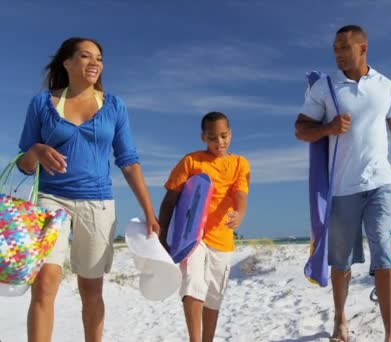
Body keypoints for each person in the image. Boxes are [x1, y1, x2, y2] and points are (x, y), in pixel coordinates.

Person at [16, 37, 160, 342]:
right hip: (50, 198)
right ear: (67, 62)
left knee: (91, 290)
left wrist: (149, 210)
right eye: (86, 56)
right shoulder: (42, 103)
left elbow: (129, 162)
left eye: (100, 58)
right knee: (44, 284)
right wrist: (38, 151)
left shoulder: (114, 106)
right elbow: (24, 164)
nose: (95, 63)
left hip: (97, 203)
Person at [294, 25, 391, 342]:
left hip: (381, 183)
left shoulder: (387, 87)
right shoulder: (326, 88)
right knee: (340, 262)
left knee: (383, 248)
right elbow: (301, 128)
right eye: (335, 48)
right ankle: (340, 320)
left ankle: (390, 335)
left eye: (344, 47)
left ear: (363, 47)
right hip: (342, 189)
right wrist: (327, 128)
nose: (338, 53)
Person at [158, 111, 250, 342]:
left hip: (222, 239)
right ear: (203, 137)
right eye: (212, 137)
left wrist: (239, 213)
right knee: (192, 283)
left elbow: (240, 194)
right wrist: (162, 236)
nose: (219, 142)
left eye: (223, 135)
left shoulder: (239, 163)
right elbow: (170, 200)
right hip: (192, 237)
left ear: (230, 133)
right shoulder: (191, 161)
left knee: (214, 296)